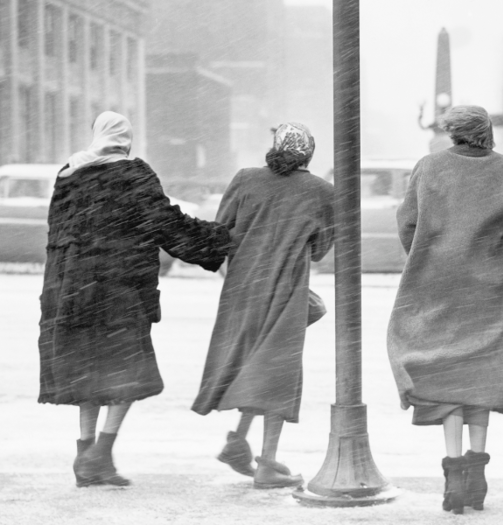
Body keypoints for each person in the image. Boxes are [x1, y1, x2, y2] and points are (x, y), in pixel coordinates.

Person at [38, 111, 230, 488]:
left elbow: (57, 235)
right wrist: (218, 239)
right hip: (118, 288)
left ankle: (86, 456)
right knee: (125, 371)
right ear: (125, 139)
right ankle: (101, 455)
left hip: (72, 290)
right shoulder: (133, 174)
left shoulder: (70, 174)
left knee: (86, 372)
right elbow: (165, 223)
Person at [387, 105, 503, 514]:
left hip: (437, 283)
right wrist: (500, 242)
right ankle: (477, 474)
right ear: (486, 132)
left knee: (447, 373)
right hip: (489, 286)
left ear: (453, 132)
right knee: (480, 372)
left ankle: (453, 475)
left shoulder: (429, 167)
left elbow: (408, 224)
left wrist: (427, 256)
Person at [191, 122, 334, 489]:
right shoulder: (322, 192)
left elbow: (219, 231)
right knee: (276, 372)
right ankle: (267, 461)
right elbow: (318, 252)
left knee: (249, 361)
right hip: (286, 290)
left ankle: (240, 441)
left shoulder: (245, 179)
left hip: (242, 287)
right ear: (309, 154)